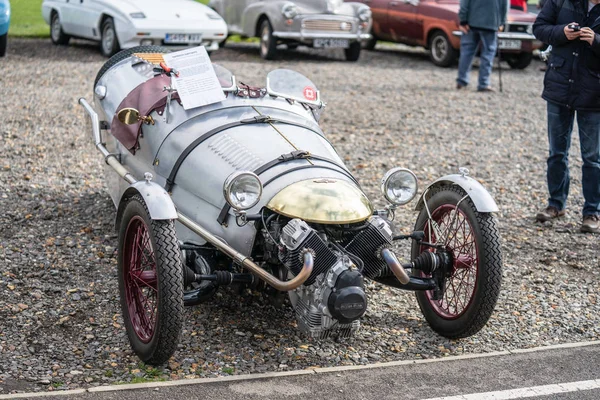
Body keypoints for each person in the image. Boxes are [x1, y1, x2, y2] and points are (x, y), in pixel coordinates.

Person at [533, 0, 600, 233]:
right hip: (559, 86)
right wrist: (561, 33)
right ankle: (555, 205)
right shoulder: (561, 1)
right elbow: (539, 27)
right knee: (557, 152)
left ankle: (592, 211)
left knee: (592, 157)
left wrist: (596, 40)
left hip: (593, 93)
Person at [456, 0, 508, 92]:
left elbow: (464, 3)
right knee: (488, 53)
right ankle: (484, 83)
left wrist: (463, 20)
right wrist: (502, 21)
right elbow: (505, 4)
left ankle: (461, 80)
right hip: (491, 21)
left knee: (467, 52)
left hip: (471, 21)